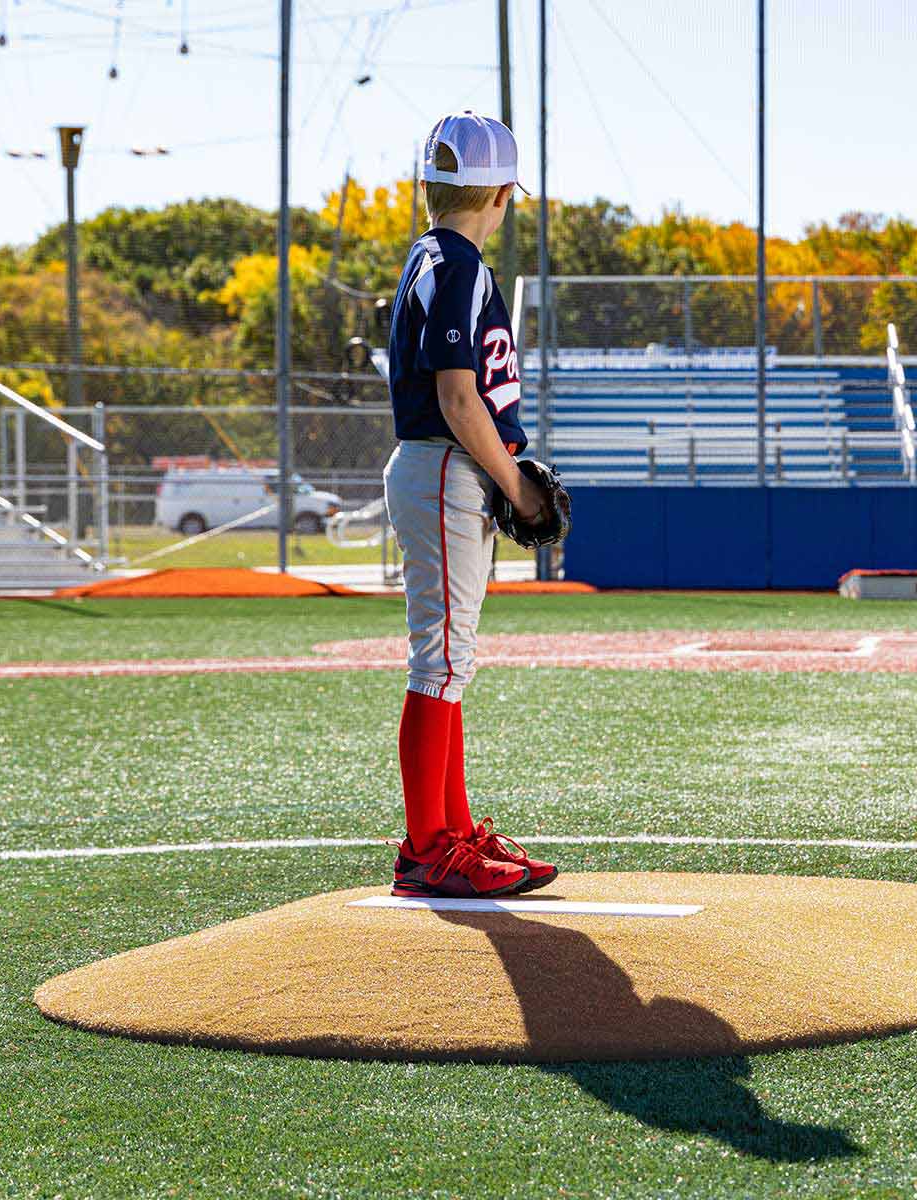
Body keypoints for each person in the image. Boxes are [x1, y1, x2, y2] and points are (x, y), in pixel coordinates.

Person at [382, 111, 558, 899]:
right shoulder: (458, 265)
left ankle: (450, 834)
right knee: (442, 660)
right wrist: (513, 481)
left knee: (450, 661)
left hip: (442, 468)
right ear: (501, 195)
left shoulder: (432, 256)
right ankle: (429, 848)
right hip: (448, 464)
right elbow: (458, 396)